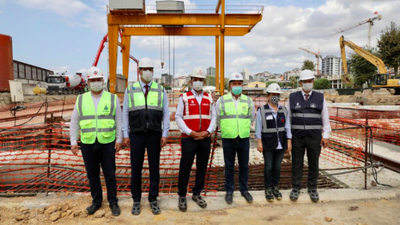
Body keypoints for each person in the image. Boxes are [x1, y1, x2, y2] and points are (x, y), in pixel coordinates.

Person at [70, 66, 122, 216]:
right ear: (88, 82)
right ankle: (96, 202)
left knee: (110, 174)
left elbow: (118, 120)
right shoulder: (81, 99)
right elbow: (74, 121)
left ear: (102, 80)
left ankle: (113, 202)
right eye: (92, 80)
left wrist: (119, 138)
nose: (96, 82)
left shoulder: (112, 98)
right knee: (92, 175)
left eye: (98, 79)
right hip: (87, 143)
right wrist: (73, 141)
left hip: (107, 143)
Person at [122, 57, 170, 215]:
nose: (147, 72)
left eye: (150, 69)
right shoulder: (131, 89)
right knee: (136, 167)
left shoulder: (160, 89)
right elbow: (125, 114)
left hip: (154, 134)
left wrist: (164, 133)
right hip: (136, 134)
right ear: (139, 71)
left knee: (154, 167)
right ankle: (136, 199)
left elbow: (166, 113)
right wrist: (125, 134)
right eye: (144, 69)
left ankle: (153, 198)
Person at [285, 70, 331, 202]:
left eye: (310, 81)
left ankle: (312, 188)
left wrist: (326, 135)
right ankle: (296, 188)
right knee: (296, 163)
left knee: (313, 163)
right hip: (297, 137)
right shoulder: (292, 97)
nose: (307, 83)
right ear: (300, 83)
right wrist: (288, 137)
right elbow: (287, 118)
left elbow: (325, 118)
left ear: (313, 82)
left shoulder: (320, 97)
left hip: (314, 137)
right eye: (305, 81)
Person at [175, 66, 217, 212]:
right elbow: (178, 117)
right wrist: (190, 132)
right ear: (191, 81)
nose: (198, 82)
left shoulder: (209, 97)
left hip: (205, 138)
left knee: (202, 167)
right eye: (195, 79)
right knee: (185, 167)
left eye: (200, 79)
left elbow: (213, 117)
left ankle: (197, 193)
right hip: (189, 138)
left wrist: (208, 131)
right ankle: (181, 195)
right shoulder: (184, 97)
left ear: (203, 81)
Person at [216, 72, 255, 204]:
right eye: (234, 84)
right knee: (229, 166)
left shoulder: (248, 101)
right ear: (230, 85)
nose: (237, 86)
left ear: (242, 86)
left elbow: (252, 118)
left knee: (244, 166)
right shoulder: (221, 100)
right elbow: (217, 119)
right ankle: (229, 191)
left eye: (239, 84)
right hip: (228, 138)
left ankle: (244, 190)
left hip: (243, 137)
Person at [255, 83, 292, 202]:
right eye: (273, 94)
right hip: (268, 143)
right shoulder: (262, 110)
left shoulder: (283, 110)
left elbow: (287, 127)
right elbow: (258, 127)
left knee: (277, 167)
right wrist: (259, 142)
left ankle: (275, 187)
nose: (275, 96)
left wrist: (289, 141)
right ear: (268, 96)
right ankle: (268, 188)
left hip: (281, 143)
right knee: (269, 167)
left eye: (277, 94)